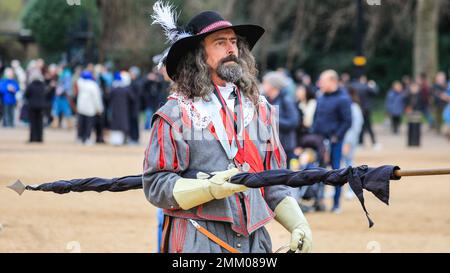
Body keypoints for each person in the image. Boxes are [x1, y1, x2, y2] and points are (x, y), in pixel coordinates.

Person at [143, 3, 312, 253]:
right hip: (197, 238)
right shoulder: (175, 113)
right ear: (198, 54)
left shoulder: (260, 109)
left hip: (254, 242)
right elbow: (156, 185)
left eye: (233, 41)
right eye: (220, 42)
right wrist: (209, 189)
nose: (232, 48)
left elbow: (274, 179)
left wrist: (299, 223)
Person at [312, 70, 352, 213]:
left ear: (333, 81)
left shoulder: (343, 99)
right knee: (318, 170)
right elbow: (316, 118)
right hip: (320, 140)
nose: (320, 84)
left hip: (335, 141)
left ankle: (336, 203)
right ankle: (319, 200)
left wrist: (337, 136)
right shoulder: (321, 97)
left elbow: (347, 121)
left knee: (336, 172)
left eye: (323, 81)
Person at [262, 71, 300, 169]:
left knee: (286, 178)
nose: (263, 85)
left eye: (265, 83)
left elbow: (294, 121)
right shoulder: (265, 100)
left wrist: (273, 121)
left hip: (285, 146)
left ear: (273, 86)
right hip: (270, 147)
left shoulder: (286, 100)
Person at [342, 87, 364, 200]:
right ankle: (339, 189)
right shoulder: (348, 106)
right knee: (341, 166)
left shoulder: (354, 107)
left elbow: (355, 127)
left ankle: (351, 190)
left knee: (348, 165)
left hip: (348, 141)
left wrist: (348, 142)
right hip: (343, 140)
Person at [76, 71, 104, 145]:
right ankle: (87, 138)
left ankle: (80, 137)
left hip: (81, 107)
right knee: (89, 125)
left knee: (81, 124)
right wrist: (99, 108)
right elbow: (97, 98)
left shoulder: (80, 83)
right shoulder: (93, 85)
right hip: (90, 108)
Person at [351, 75, 379, 148]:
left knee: (360, 126)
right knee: (369, 127)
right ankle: (374, 143)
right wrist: (373, 85)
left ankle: (360, 143)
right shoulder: (367, 87)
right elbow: (375, 92)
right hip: (366, 110)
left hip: (358, 109)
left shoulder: (354, 86)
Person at [24, 71, 47, 143]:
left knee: (33, 123)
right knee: (40, 123)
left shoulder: (30, 85)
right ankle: (39, 138)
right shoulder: (43, 85)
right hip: (41, 106)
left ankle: (32, 138)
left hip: (32, 106)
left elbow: (26, 95)